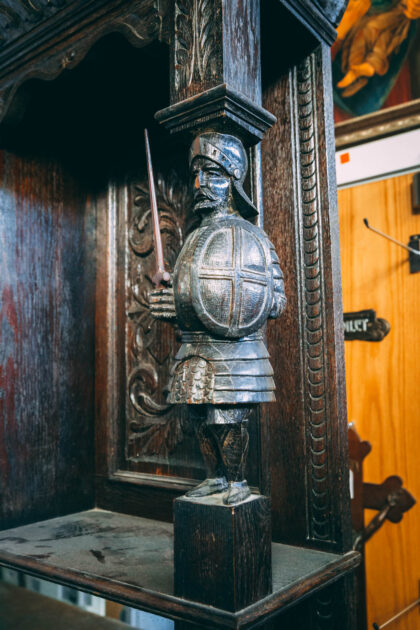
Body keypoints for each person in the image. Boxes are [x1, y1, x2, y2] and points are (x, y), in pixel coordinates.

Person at [150, 132, 286, 505]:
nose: (199, 184)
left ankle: (237, 480)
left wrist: (241, 305)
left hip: (235, 355)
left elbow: (276, 300)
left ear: (232, 178)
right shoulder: (194, 238)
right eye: (196, 174)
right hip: (195, 350)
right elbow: (192, 295)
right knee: (198, 417)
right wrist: (170, 299)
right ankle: (216, 477)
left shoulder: (253, 239)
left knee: (226, 418)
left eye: (211, 173)